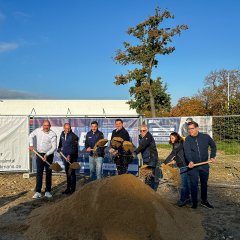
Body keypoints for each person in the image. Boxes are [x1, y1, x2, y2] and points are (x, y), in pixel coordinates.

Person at [184, 121, 216, 209]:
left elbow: (213, 146)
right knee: (193, 184)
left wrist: (212, 156)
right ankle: (194, 202)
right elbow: (187, 152)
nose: (190, 131)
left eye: (192, 129)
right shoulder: (188, 139)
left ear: (197, 128)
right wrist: (190, 161)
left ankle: (204, 201)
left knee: (204, 184)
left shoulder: (205, 137)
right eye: (189, 129)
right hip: (193, 166)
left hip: (204, 165)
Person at [29, 120, 57, 199]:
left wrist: (47, 154)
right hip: (39, 155)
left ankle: (48, 191)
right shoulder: (38, 131)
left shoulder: (53, 134)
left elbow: (54, 147)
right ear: (42, 125)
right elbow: (30, 135)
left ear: (50, 126)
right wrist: (31, 145)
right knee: (39, 173)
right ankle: (38, 191)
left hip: (48, 155)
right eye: (44, 125)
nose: (46, 127)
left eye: (47, 125)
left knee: (48, 173)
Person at [162, 132, 190, 206]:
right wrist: (174, 160)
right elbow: (178, 154)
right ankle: (187, 198)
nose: (171, 140)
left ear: (176, 138)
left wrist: (164, 162)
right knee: (186, 183)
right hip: (183, 165)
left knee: (183, 184)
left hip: (183, 166)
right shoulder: (178, 144)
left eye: (173, 138)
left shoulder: (177, 144)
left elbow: (173, 153)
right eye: (170, 138)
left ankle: (182, 200)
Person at [134, 124, 160, 190]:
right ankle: (148, 191)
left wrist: (135, 152)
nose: (142, 132)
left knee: (150, 176)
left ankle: (152, 192)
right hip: (146, 158)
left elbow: (142, 145)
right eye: (141, 131)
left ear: (147, 130)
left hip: (151, 158)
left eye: (144, 130)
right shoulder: (141, 136)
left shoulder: (148, 137)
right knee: (146, 175)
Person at [58, 123, 79, 194]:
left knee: (72, 173)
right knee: (67, 173)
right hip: (65, 157)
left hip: (72, 157)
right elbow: (60, 143)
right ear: (64, 128)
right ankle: (68, 188)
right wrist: (59, 148)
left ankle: (72, 191)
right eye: (66, 128)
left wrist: (69, 155)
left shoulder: (74, 137)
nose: (67, 130)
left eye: (68, 128)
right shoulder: (62, 134)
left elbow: (74, 148)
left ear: (70, 128)